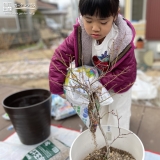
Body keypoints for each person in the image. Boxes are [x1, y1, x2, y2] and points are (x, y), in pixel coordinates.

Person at [49, 0, 136, 130]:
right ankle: (103, 136)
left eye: (103, 22)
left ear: (115, 15)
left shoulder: (122, 40)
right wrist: (57, 87)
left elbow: (127, 75)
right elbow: (60, 58)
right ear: (82, 15)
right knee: (100, 114)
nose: (95, 28)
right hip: (95, 84)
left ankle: (119, 140)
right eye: (89, 20)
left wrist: (98, 83)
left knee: (118, 116)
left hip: (118, 87)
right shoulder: (79, 35)